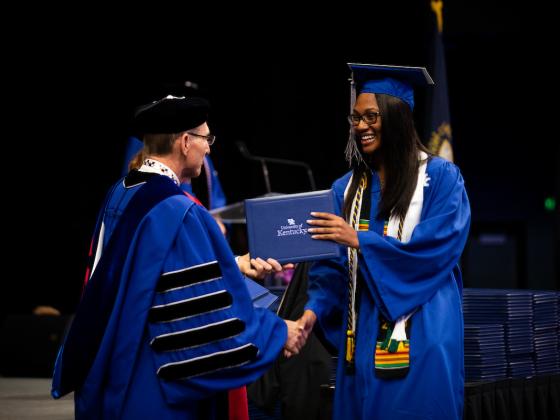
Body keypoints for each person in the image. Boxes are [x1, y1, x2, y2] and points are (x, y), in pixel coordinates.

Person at [51, 95, 305, 419]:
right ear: (186, 142)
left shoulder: (123, 192)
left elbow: (152, 277)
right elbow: (201, 319)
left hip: (111, 363)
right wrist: (277, 332)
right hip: (151, 381)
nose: (210, 148)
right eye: (206, 138)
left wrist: (233, 265)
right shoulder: (177, 211)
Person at [297, 64, 471, 419]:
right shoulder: (344, 189)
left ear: (397, 117)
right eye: (355, 118)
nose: (361, 126)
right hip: (360, 335)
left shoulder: (439, 178)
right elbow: (330, 268)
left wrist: (361, 241)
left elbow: (434, 250)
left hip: (422, 331)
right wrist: (311, 314)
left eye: (371, 116)